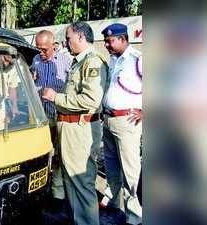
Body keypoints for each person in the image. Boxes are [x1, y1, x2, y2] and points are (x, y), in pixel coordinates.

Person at [42, 21, 108, 225]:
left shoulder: (93, 62)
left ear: (80, 37)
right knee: (71, 181)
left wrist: (56, 98)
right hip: (70, 128)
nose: (66, 42)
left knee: (82, 182)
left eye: (68, 38)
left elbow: (90, 100)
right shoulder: (78, 61)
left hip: (81, 130)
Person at [100, 23, 143, 225]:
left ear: (123, 39)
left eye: (110, 41)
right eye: (106, 41)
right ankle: (116, 208)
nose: (107, 45)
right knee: (111, 169)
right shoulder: (113, 60)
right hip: (108, 120)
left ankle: (135, 218)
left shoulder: (138, 59)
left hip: (127, 122)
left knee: (130, 172)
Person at [30, 30, 72, 204]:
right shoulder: (36, 60)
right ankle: (40, 188)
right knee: (41, 154)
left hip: (59, 116)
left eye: (45, 49)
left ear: (54, 45)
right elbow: (32, 78)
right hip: (40, 117)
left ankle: (58, 193)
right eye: (38, 48)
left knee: (58, 156)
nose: (41, 52)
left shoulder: (66, 62)